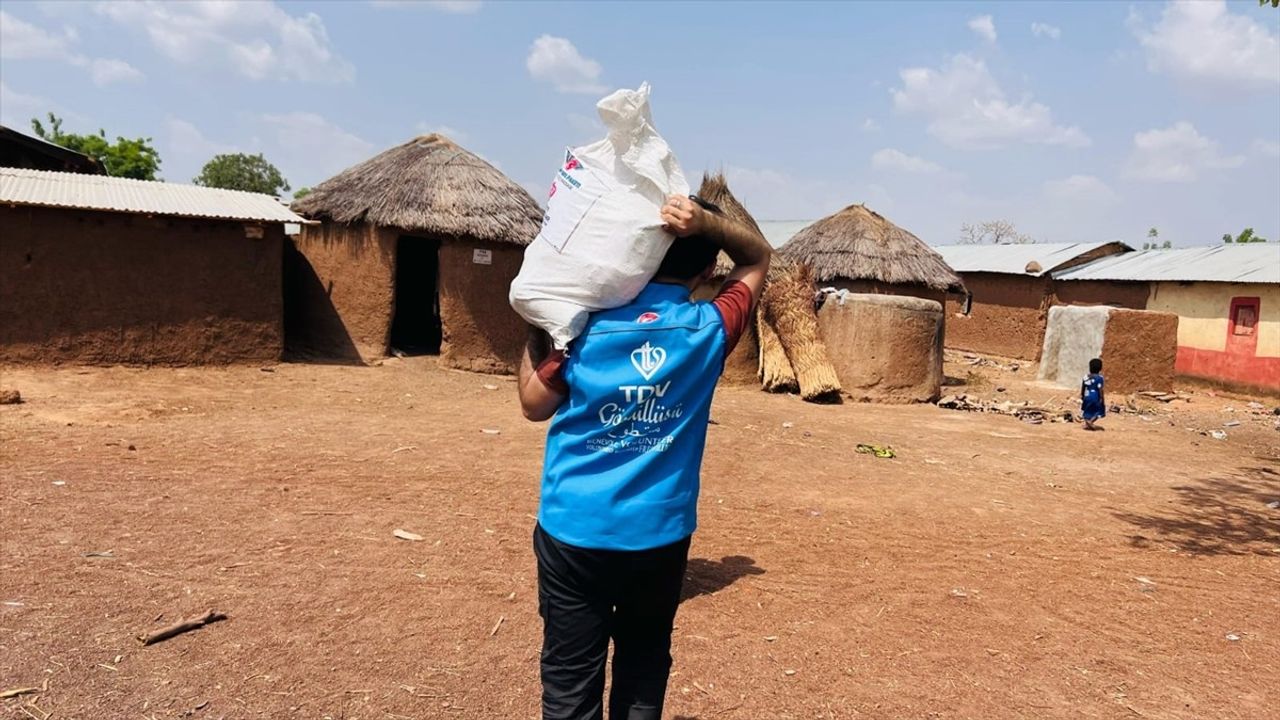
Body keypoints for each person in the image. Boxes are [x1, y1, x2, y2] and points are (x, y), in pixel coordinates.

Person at [517, 194, 771, 720]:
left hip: (574, 530)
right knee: (642, 669)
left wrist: (539, 317)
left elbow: (532, 405)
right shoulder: (708, 331)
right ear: (706, 268)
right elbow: (757, 257)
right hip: (660, 533)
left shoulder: (582, 329)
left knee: (569, 679)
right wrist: (707, 224)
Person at [1081, 357, 1105, 430]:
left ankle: (1087, 423)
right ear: (1100, 368)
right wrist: (1101, 398)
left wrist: (1082, 395)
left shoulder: (1085, 377)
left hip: (1087, 395)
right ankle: (1090, 422)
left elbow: (1083, 387)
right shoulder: (1099, 378)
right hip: (1095, 396)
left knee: (1087, 409)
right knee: (1099, 410)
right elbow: (1100, 389)